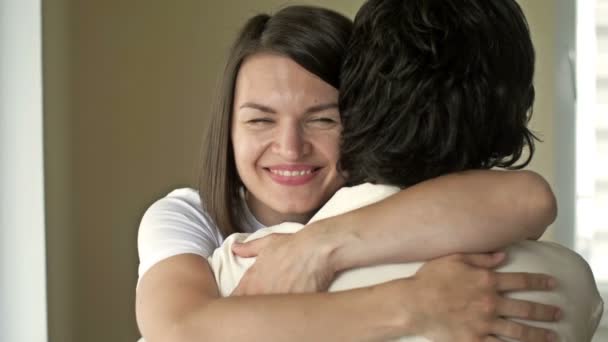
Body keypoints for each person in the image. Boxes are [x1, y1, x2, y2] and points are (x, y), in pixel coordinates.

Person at [136, 5, 561, 342]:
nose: (290, 147)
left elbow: (529, 199)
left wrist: (318, 247)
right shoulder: (187, 216)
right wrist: (414, 305)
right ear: (227, 130)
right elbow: (180, 331)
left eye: (322, 120)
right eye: (260, 121)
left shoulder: (395, 204)